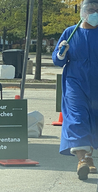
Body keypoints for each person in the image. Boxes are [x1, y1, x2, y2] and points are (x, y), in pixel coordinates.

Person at [52, 0, 98, 180]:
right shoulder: (71, 32)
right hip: (75, 82)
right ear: (83, 12)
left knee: (93, 118)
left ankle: (88, 157)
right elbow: (58, 61)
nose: (94, 13)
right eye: (91, 10)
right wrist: (61, 53)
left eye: (97, 9)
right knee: (77, 117)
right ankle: (82, 160)